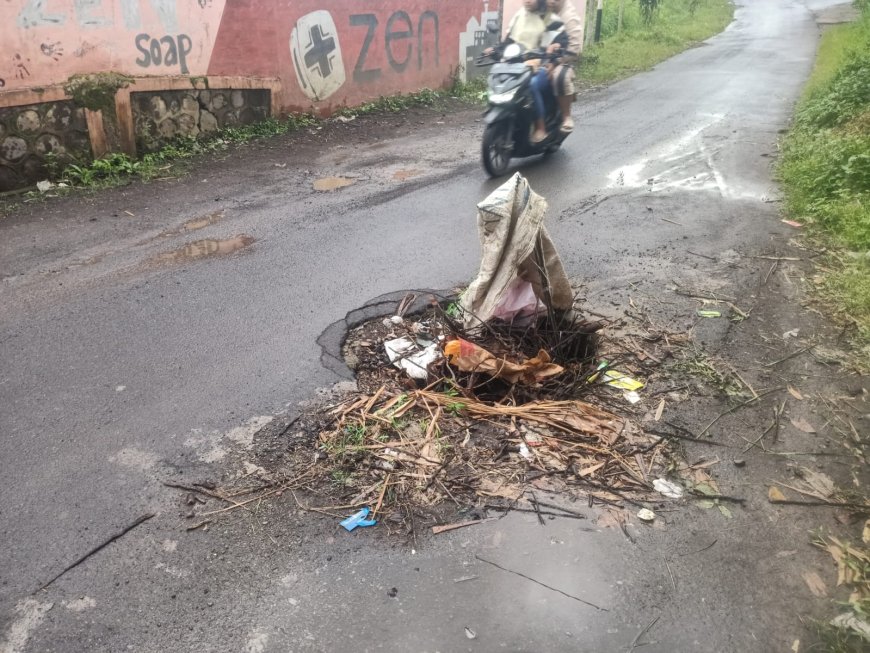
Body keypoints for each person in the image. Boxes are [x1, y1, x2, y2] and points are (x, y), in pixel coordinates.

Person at [484, 0, 567, 143]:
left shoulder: (550, 18)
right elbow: (509, 41)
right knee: (499, 78)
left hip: (542, 64)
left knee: (532, 84)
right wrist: (496, 50)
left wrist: (555, 47)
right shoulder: (520, 16)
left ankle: (540, 127)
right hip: (517, 64)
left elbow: (562, 40)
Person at [546, 0, 583, 133]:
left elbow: (573, 49)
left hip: (564, 59)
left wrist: (555, 62)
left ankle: (566, 116)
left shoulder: (569, 16)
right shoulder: (540, 10)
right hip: (541, 56)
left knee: (559, 77)